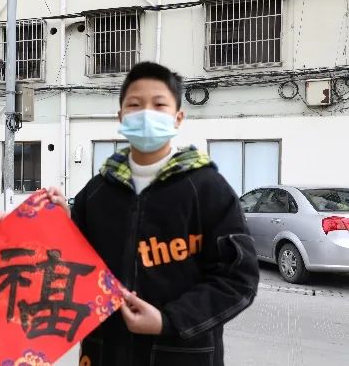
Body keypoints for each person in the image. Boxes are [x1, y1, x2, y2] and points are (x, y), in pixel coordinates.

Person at [70, 61, 260, 365]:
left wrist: (169, 320)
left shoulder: (208, 189)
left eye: (159, 104)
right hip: (104, 352)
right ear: (120, 117)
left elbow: (238, 278)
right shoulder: (96, 193)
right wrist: (29, 226)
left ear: (177, 118)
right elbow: (63, 268)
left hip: (183, 355)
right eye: (135, 105)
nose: (147, 113)